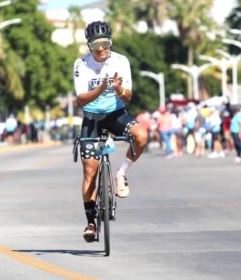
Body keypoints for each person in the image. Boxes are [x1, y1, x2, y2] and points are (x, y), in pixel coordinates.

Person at [73, 21, 148, 242]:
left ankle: (121, 173)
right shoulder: (81, 64)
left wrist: (118, 88)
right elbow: (81, 99)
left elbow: (128, 97)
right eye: (96, 45)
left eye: (105, 43)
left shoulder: (121, 61)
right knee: (90, 172)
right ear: (89, 46)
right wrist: (101, 87)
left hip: (116, 114)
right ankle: (90, 223)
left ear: (110, 42)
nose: (101, 49)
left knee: (141, 136)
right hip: (92, 118)